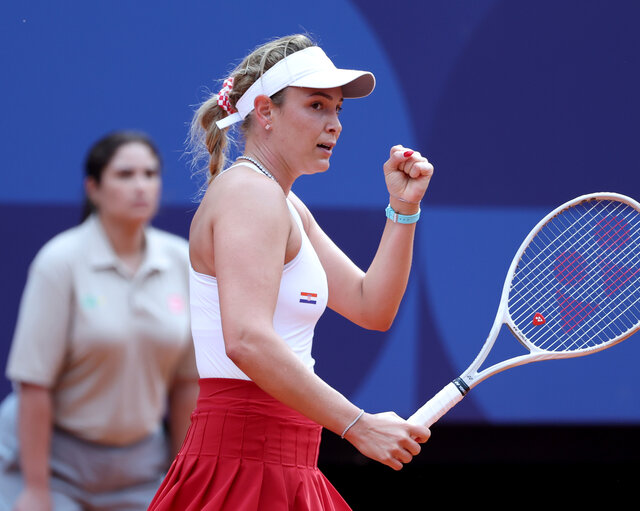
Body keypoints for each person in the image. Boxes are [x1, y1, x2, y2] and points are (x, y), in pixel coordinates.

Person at [147, 34, 433, 510]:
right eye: (317, 105)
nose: (335, 124)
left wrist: (402, 210)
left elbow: (371, 306)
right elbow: (247, 339)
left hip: (283, 465)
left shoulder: (283, 203)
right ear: (265, 112)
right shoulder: (249, 194)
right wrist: (357, 424)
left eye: (339, 109)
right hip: (240, 468)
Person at [0, 131, 198, 511]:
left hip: (141, 467)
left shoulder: (181, 260)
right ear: (94, 188)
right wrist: (36, 488)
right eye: (125, 175)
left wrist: (181, 481)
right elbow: (33, 384)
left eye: (149, 174)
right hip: (54, 463)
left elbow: (187, 385)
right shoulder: (59, 261)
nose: (140, 186)